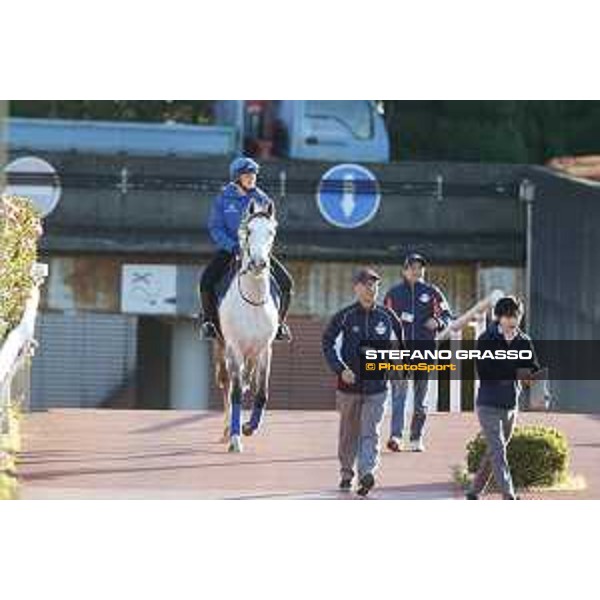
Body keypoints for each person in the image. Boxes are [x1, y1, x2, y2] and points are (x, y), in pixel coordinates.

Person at [322, 267, 405, 497]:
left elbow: (400, 345)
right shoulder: (345, 316)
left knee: (371, 431)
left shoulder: (388, 317)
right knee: (348, 433)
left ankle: (367, 473)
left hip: (378, 388)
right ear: (356, 287)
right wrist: (340, 369)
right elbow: (327, 342)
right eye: (367, 284)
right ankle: (346, 472)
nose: (371, 289)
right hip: (348, 388)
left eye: (375, 285)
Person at [198, 156, 293, 341]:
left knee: (287, 283)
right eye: (247, 175)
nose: (252, 178)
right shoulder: (223, 199)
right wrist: (232, 246)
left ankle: (279, 325)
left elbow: (270, 228)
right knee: (206, 281)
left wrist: (261, 248)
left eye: (254, 175)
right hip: (231, 249)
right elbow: (215, 228)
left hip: (257, 253)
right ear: (237, 177)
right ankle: (209, 323)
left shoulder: (263, 199)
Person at [466, 296, 540, 500]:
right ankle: (509, 495)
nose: (512, 321)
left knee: (494, 452)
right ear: (499, 317)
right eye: (508, 316)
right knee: (498, 452)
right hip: (488, 403)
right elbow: (484, 370)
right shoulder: (486, 339)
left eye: (516, 316)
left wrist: (533, 378)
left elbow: (532, 366)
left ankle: (473, 491)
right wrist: (515, 369)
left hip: (510, 404)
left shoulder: (524, 341)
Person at [383, 253, 452, 452]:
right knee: (399, 396)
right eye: (412, 267)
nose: (416, 270)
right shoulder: (393, 294)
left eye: (420, 267)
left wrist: (438, 322)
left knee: (420, 400)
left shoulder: (432, 293)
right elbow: (384, 320)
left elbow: (447, 315)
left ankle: (416, 438)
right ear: (404, 271)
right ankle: (396, 436)